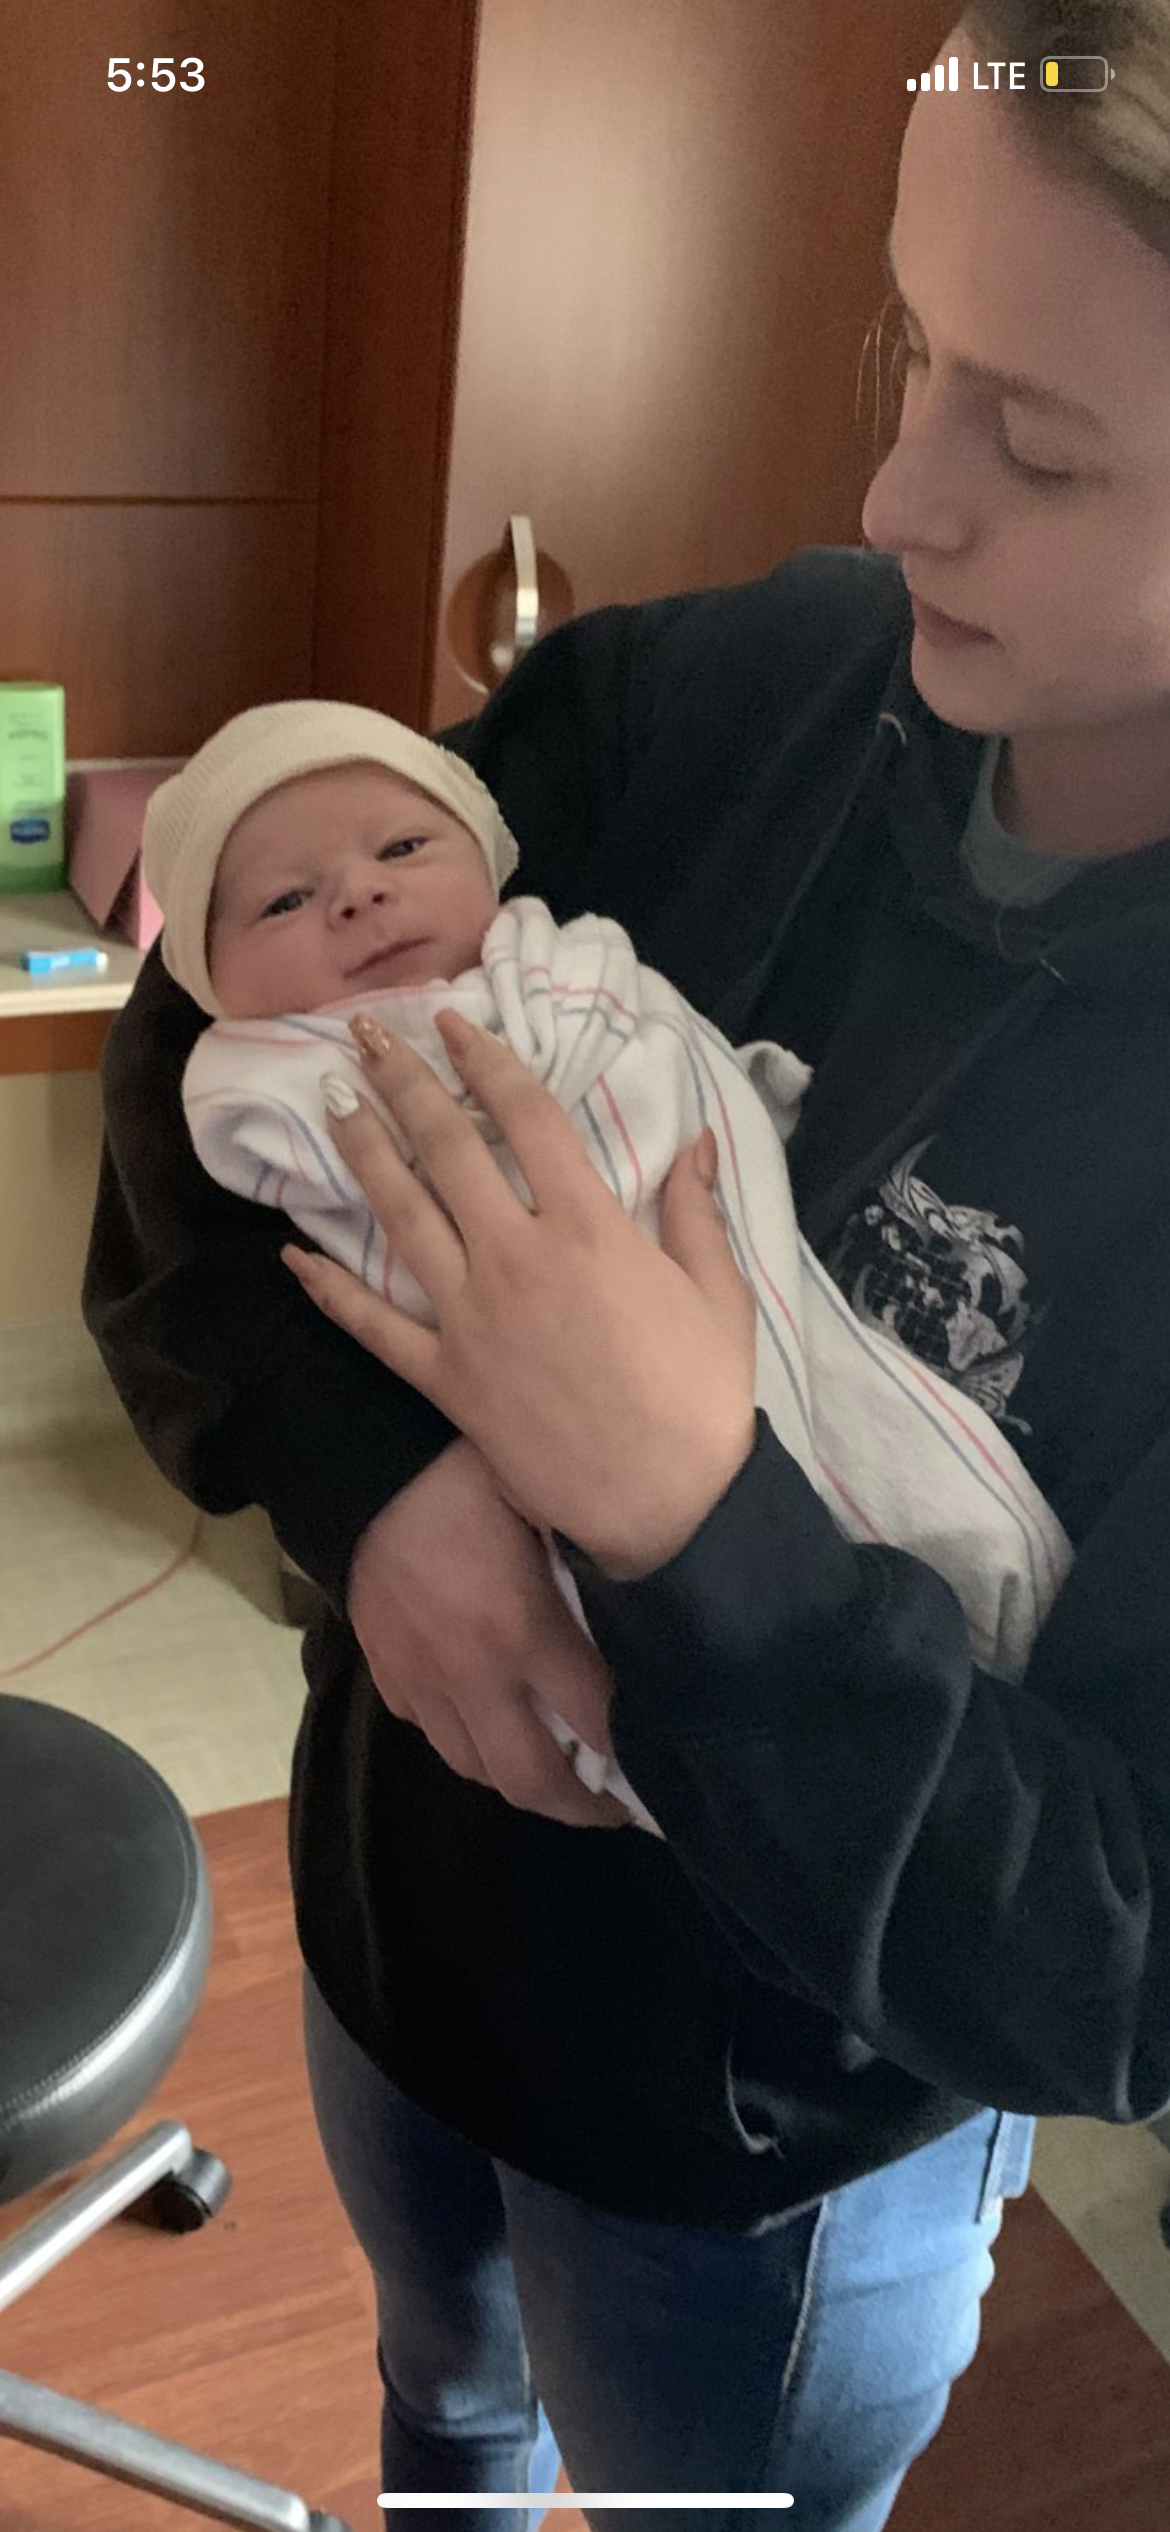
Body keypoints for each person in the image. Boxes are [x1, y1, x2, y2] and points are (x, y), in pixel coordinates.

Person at [82, 9, 1170, 2528]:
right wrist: (383, 1484)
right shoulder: (739, 691)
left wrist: (694, 1508)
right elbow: (213, 1007)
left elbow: (1117, 1955)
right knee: (445, 2416)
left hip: (762, 2157)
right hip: (404, 1940)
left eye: (1040, 439)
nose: (893, 497)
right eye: (914, 351)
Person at [143, 700, 1070, 1834]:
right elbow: (218, 1153)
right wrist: (375, 1480)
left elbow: (652, 1044)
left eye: (403, 848)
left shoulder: (557, 957)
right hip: (460, 1791)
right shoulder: (266, 1075)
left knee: (860, 1455)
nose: (358, 894)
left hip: (757, 1360)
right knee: (587, 1650)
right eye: (285, 901)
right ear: (213, 981)